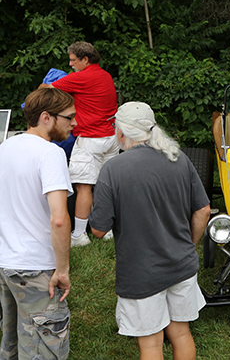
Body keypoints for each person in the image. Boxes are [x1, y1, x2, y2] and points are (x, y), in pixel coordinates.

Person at [89, 102, 211, 360]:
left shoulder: (113, 169)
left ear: (121, 133)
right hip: (181, 263)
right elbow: (203, 211)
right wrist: (189, 244)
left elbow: (98, 230)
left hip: (141, 272)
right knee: (181, 334)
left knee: (152, 345)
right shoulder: (179, 158)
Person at [0, 88, 75, 359]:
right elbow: (58, 218)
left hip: (6, 263)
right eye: (69, 117)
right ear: (46, 117)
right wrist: (63, 269)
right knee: (45, 347)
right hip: (36, 267)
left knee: (13, 341)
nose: (74, 124)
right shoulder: (50, 153)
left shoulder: (5, 148)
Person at [41, 41, 119, 247]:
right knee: (105, 186)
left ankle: (79, 235)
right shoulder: (105, 75)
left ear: (85, 59)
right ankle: (106, 229)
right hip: (111, 137)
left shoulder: (81, 77)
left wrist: (50, 82)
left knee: (84, 187)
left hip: (91, 139)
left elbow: (45, 91)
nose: (70, 64)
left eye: (73, 60)